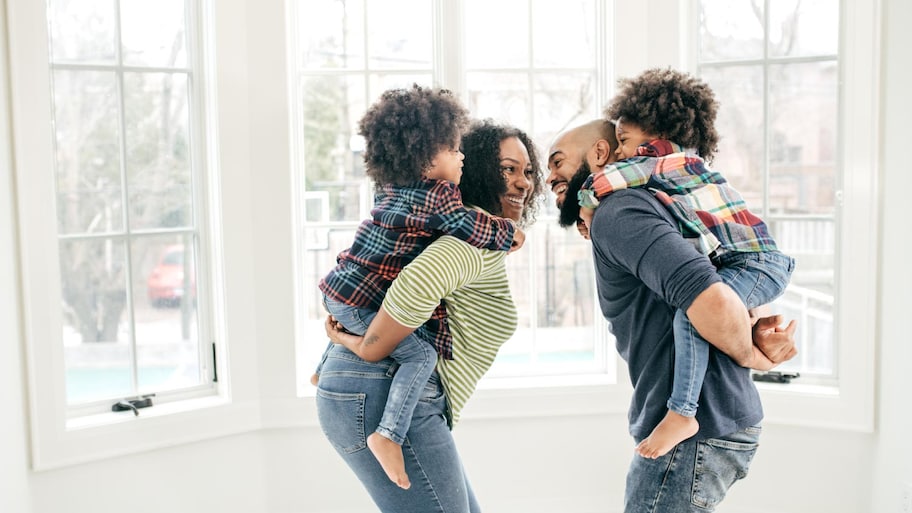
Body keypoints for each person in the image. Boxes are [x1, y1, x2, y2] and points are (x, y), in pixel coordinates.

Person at [546, 124, 797, 511]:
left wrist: (752, 355)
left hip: (696, 432)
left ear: (599, 154)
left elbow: (710, 297)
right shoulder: (650, 205)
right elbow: (723, 272)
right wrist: (753, 325)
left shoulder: (622, 211)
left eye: (557, 161)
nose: (549, 177)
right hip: (713, 423)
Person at [315, 119, 545, 512]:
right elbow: (415, 283)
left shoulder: (450, 223)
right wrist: (364, 346)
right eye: (508, 169)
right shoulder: (471, 238)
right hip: (383, 387)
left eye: (528, 172)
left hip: (368, 385)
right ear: (473, 167)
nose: (523, 183)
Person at [576, 68, 796, 459]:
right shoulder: (676, 183)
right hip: (747, 261)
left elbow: (610, 180)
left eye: (623, 141)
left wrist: (589, 207)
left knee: (690, 313)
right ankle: (683, 413)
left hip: (757, 262)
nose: (619, 152)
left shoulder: (665, 161)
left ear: (657, 134)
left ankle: (682, 412)